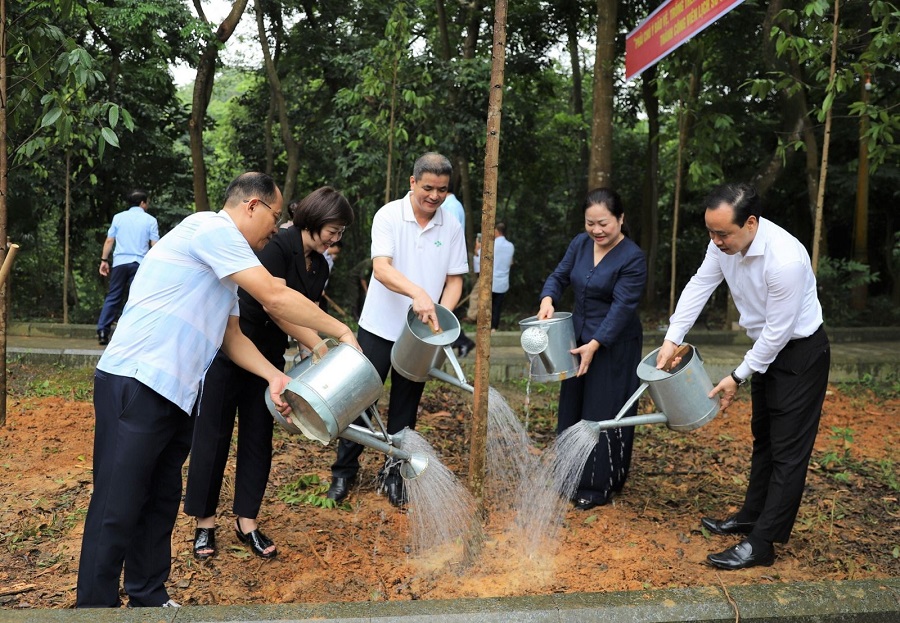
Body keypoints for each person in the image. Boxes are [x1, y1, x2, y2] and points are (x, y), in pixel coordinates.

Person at [76, 172, 359, 609]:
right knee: (117, 503)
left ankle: (148, 595)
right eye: (275, 215)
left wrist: (273, 375)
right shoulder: (211, 228)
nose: (278, 227)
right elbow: (273, 297)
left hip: (177, 392)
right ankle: (93, 611)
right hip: (136, 380)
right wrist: (340, 331)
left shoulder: (227, 268)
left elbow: (232, 337)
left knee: (160, 499)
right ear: (251, 206)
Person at [657, 182, 830, 571]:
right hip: (767, 350)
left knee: (789, 451)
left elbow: (778, 332)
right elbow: (700, 284)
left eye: (723, 233)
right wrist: (672, 338)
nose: (715, 241)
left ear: (750, 223)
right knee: (764, 437)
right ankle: (752, 514)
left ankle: (763, 542)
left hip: (800, 354)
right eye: (710, 232)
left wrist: (738, 375)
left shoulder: (786, 260)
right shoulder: (722, 246)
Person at [184, 187, 352, 562]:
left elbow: (305, 310)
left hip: (271, 361)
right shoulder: (279, 244)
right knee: (213, 435)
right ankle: (205, 523)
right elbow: (274, 303)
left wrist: (312, 348)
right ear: (316, 218)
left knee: (259, 438)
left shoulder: (322, 266)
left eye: (341, 233)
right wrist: (324, 341)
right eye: (333, 230)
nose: (335, 239)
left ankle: (247, 521)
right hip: (233, 348)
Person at [325, 152, 468, 507]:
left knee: (406, 405)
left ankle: (395, 475)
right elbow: (382, 269)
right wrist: (418, 293)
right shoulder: (389, 214)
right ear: (413, 183)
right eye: (429, 188)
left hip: (419, 335)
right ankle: (344, 472)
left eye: (443, 190)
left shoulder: (451, 225)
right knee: (359, 398)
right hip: (377, 326)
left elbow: (454, 280)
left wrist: (440, 315)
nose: (434, 196)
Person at [536, 188, 647, 511]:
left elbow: (622, 308)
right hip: (575, 341)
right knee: (572, 407)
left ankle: (598, 485)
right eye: (590, 223)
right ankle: (569, 473)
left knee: (603, 411)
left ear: (621, 219)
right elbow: (558, 277)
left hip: (613, 346)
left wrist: (596, 344)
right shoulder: (580, 243)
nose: (596, 231)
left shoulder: (633, 258)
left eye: (604, 224)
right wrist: (548, 299)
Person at [96, 190, 159, 345]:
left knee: (113, 296)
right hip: (140, 264)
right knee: (138, 298)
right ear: (142, 203)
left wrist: (104, 260)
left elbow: (110, 240)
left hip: (120, 263)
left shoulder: (118, 218)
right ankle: (134, 334)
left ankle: (103, 331)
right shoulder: (150, 220)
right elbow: (155, 245)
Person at [490, 223, 515, 331]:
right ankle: (494, 327)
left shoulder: (492, 244)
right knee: (497, 306)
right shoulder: (510, 246)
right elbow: (510, 262)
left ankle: (486, 325)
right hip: (503, 281)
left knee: (487, 306)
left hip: (490, 281)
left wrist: (477, 249)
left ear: (496, 231)